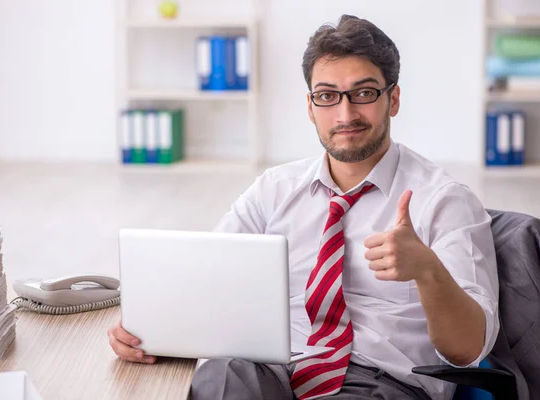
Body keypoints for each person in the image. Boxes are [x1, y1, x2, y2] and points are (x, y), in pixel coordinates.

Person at [108, 14, 499, 400]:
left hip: (379, 380)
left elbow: (467, 349)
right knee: (222, 376)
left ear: (392, 99)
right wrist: (148, 330)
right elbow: (206, 282)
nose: (345, 115)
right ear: (311, 107)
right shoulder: (273, 190)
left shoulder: (445, 201)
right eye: (327, 96)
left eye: (363, 93)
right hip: (274, 367)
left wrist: (427, 270)